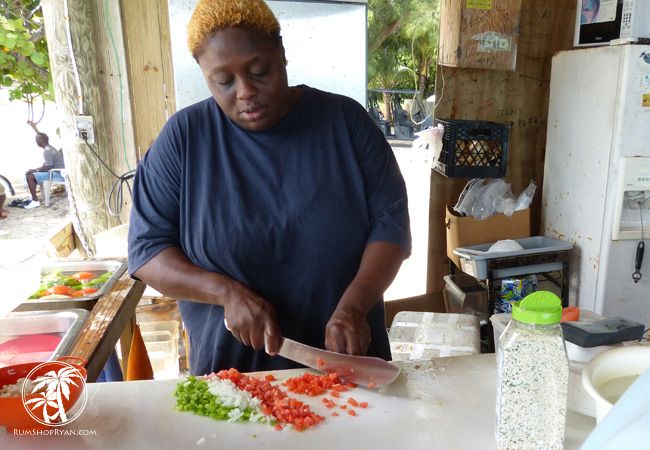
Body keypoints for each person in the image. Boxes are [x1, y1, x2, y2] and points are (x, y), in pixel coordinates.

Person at [128, 0, 411, 376]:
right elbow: (147, 252)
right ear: (204, 75)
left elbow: (391, 226)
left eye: (260, 71)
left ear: (282, 55)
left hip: (348, 370)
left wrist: (354, 307)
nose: (245, 91)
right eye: (224, 81)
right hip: (233, 381)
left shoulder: (346, 123)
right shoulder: (183, 140)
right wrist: (224, 292)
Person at [23, 133, 65, 209]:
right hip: (58, 172)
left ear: (41, 140)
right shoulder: (50, 148)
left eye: (37, 139)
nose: (36, 141)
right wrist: (35, 170)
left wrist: (34, 170)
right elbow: (46, 166)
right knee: (32, 174)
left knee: (29, 177)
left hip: (58, 174)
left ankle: (35, 201)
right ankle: (33, 198)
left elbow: (47, 167)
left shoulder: (47, 151)